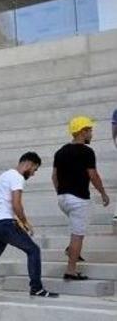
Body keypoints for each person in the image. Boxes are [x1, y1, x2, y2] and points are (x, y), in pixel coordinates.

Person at [0, 152, 57, 310]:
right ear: (28, 164)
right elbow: (16, 204)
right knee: (33, 250)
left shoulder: (2, 176)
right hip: (5, 223)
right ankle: (36, 288)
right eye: (34, 170)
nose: (33, 174)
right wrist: (25, 222)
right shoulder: (17, 177)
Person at [53, 116, 110, 280]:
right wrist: (103, 193)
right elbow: (93, 175)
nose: (91, 134)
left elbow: (54, 176)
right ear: (82, 131)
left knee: (80, 225)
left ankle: (71, 249)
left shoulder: (60, 151)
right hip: (78, 199)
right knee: (78, 234)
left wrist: (61, 192)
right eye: (90, 130)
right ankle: (70, 270)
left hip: (63, 199)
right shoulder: (87, 151)